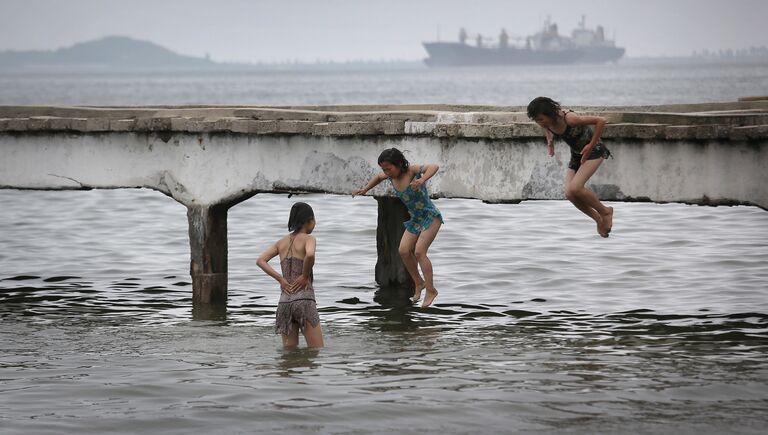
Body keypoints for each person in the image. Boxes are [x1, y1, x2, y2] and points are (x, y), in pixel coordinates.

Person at [352, 148, 443, 307]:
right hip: (416, 219)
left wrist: (422, 180)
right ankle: (418, 283)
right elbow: (378, 177)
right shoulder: (389, 176)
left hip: (430, 216)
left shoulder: (411, 171)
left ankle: (431, 290)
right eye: (384, 169)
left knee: (420, 251)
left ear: (400, 163)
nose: (386, 172)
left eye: (389, 168)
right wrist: (365, 189)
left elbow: (433, 167)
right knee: (403, 250)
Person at [527, 96, 614, 237]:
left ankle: (605, 211)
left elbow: (600, 121)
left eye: (541, 119)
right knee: (569, 193)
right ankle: (597, 219)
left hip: (594, 151)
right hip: (577, 155)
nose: (539, 123)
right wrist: (550, 142)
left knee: (575, 188)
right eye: (536, 120)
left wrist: (590, 145)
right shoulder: (547, 123)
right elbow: (547, 128)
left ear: (551, 114)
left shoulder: (570, 119)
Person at [256, 202, 324, 348]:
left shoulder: (281, 242)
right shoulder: (309, 238)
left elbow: (261, 261)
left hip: (284, 303)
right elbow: (310, 255)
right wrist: (305, 276)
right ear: (310, 220)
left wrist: (280, 279)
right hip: (304, 301)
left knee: (288, 356)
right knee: (316, 351)